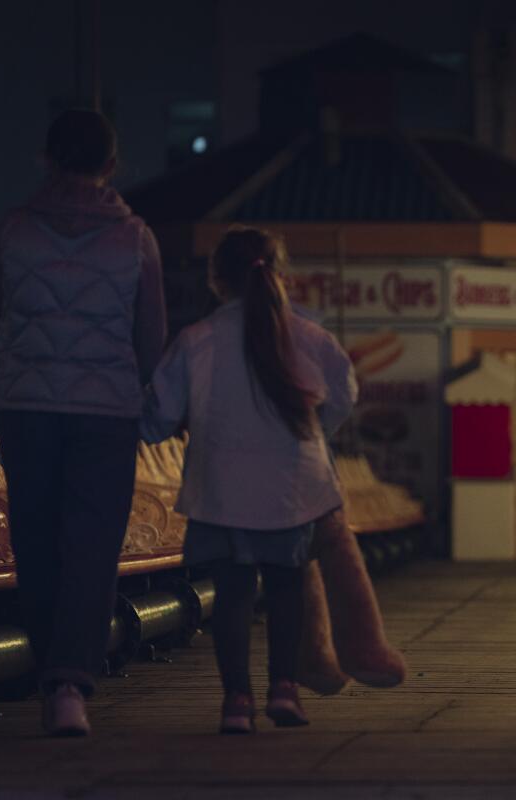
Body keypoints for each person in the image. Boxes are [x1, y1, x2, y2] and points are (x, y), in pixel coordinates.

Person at [0, 108, 167, 736]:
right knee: (91, 547)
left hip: (28, 410)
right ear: (111, 164)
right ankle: (69, 685)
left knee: (38, 542)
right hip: (106, 414)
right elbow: (152, 343)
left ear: (46, 159)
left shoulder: (14, 230)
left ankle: (49, 666)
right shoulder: (136, 238)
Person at [141, 226, 356, 734]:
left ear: (218, 281)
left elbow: (160, 413)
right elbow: (345, 393)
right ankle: (285, 691)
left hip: (221, 488)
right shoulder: (311, 337)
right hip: (293, 486)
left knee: (234, 591)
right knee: (286, 585)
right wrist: (312, 435)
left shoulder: (197, 340)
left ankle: (237, 701)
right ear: (280, 275)